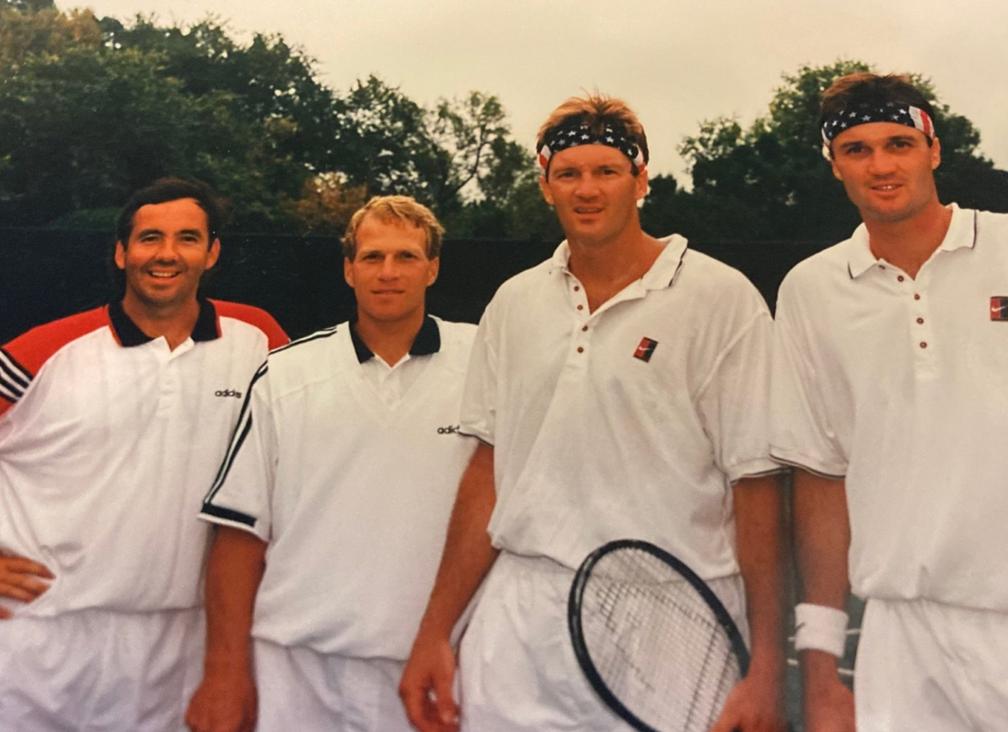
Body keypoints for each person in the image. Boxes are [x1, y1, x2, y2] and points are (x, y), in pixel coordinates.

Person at [400, 94, 786, 732]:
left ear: (641, 179)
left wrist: (768, 666)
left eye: (607, 171)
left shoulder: (721, 298)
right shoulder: (515, 302)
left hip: (677, 619)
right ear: (545, 183)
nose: (587, 189)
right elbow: (488, 472)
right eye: (568, 173)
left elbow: (757, 483)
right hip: (523, 621)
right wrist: (435, 632)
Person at [771, 72, 1008, 732]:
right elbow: (821, 477)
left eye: (899, 143)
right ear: (834, 166)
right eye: (856, 150)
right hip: (899, 643)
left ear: (934, 150)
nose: (881, 165)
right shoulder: (810, 291)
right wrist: (822, 671)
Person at [0, 177, 288, 730]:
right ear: (121, 252)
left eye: (187, 238)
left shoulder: (259, 340)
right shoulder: (46, 349)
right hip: (39, 636)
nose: (166, 254)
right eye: (150, 238)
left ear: (213, 252)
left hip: (184, 644)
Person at [186, 195, 477, 732]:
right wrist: (225, 671)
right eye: (372, 257)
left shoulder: (487, 363)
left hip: (443, 667)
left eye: (406, 257)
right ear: (348, 269)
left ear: (433, 267)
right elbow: (239, 535)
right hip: (297, 668)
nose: (388, 273)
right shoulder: (285, 374)